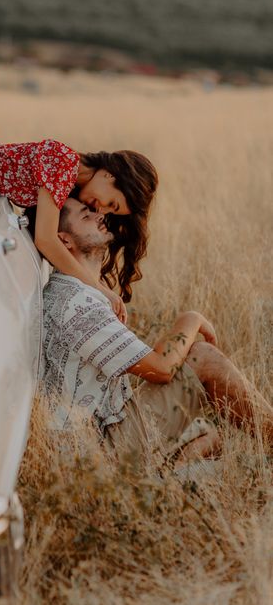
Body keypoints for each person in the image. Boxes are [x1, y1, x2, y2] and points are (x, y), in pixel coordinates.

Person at [42, 197, 273, 462]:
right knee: (204, 358)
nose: (99, 216)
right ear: (64, 240)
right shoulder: (77, 302)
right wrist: (192, 318)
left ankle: (162, 477)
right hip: (96, 450)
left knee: (208, 436)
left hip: (107, 427)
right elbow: (161, 368)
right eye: (86, 217)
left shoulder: (75, 289)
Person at [0, 140, 158, 321]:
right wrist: (98, 289)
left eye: (111, 211)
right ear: (109, 176)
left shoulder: (68, 180)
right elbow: (46, 240)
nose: (102, 211)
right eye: (112, 204)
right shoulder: (62, 163)